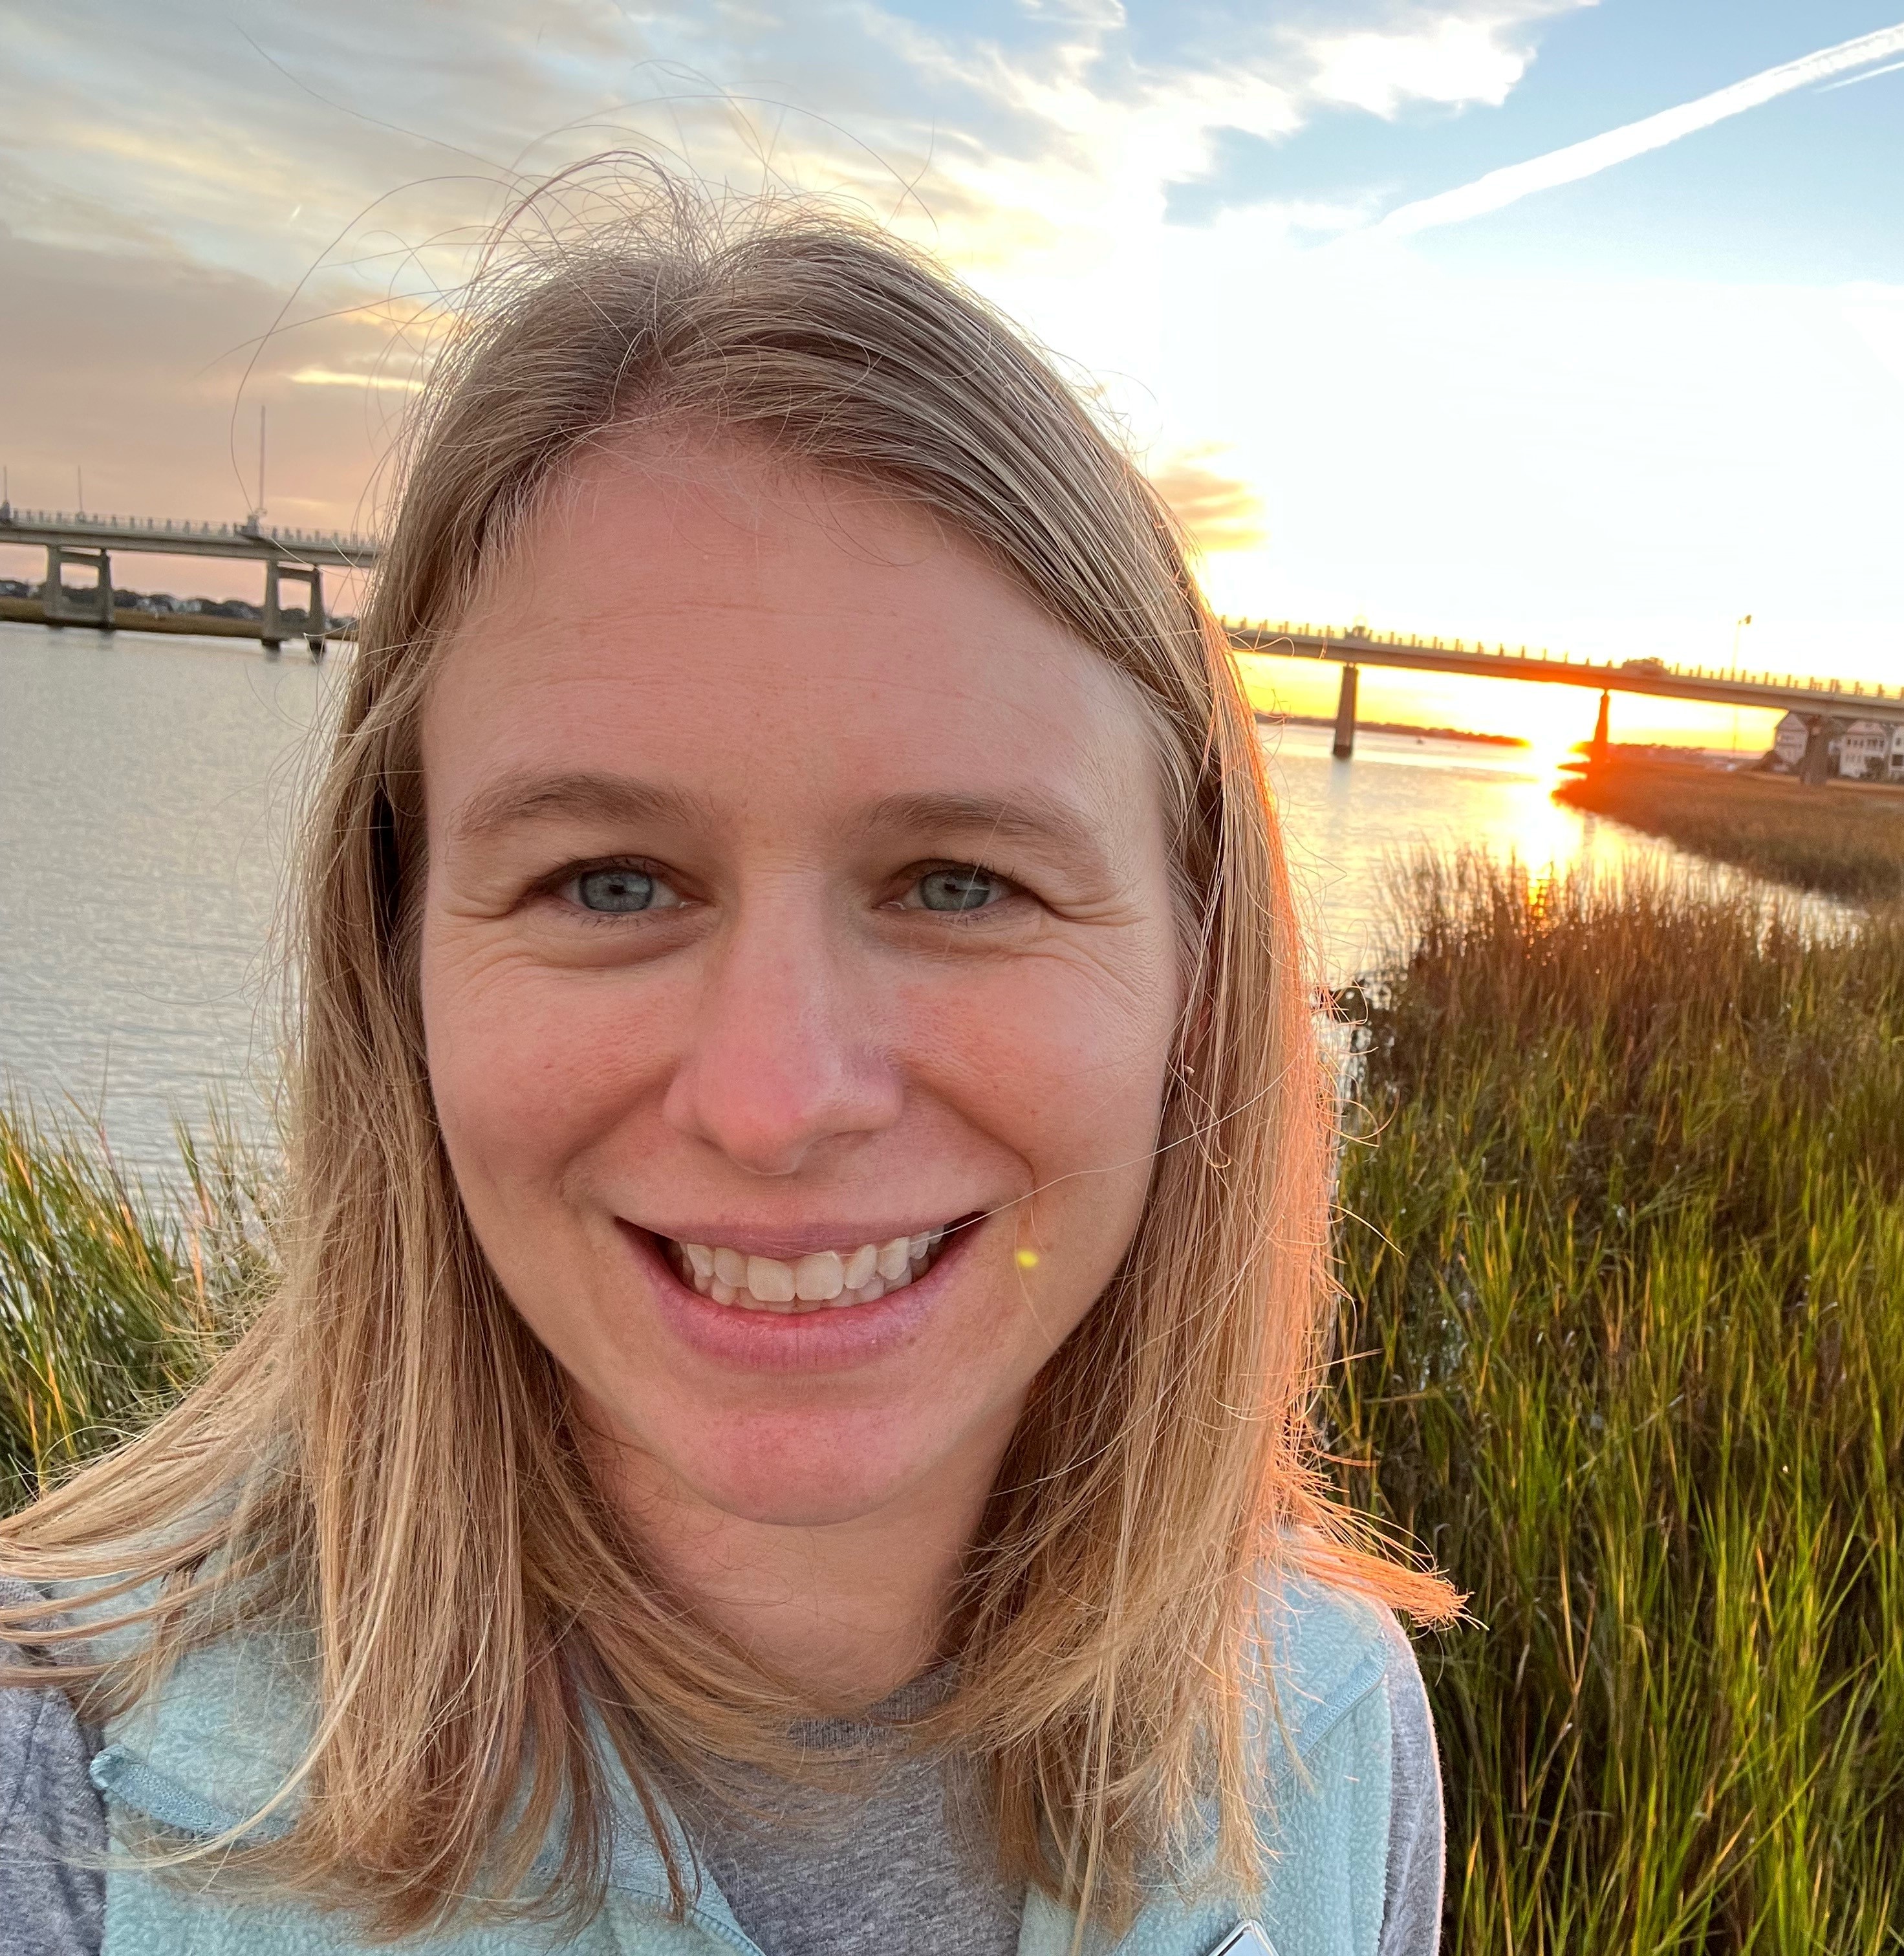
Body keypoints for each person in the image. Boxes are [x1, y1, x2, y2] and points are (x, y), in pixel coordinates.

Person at [0, 184, 1456, 1956]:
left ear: (1196, 972)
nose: (774, 1101)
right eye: (608, 883)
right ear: (398, 964)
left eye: (959, 883)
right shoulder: (61, 1802)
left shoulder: (1323, 1734)